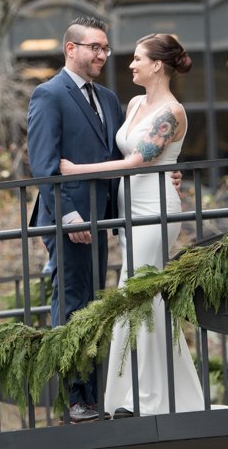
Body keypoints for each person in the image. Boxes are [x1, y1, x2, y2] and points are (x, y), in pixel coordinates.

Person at [60, 33, 208, 417]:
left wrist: (76, 170)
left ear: (158, 65)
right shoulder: (135, 103)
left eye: (138, 58)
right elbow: (121, 151)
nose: (130, 64)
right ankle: (153, 394)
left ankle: (141, 399)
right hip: (129, 212)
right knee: (145, 299)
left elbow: (136, 162)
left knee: (134, 295)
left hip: (155, 209)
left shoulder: (173, 112)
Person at [26, 16, 124, 424]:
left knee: (92, 306)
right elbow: (44, 164)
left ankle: (94, 395)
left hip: (101, 220)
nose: (101, 54)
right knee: (71, 306)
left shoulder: (110, 99)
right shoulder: (48, 95)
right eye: (94, 47)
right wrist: (69, 215)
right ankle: (75, 402)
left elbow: (120, 158)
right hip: (67, 220)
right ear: (71, 49)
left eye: (105, 48)